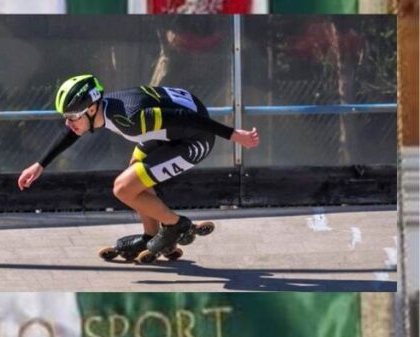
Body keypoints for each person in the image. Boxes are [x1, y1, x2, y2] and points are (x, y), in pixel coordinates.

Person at [17, 74, 260, 258]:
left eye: (72, 117)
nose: (68, 123)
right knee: (134, 172)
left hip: (194, 138)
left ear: (90, 109)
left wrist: (233, 135)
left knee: (123, 188)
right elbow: (73, 133)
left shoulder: (132, 119)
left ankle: (176, 225)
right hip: (167, 131)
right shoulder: (106, 108)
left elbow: (186, 118)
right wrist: (40, 164)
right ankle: (151, 234)